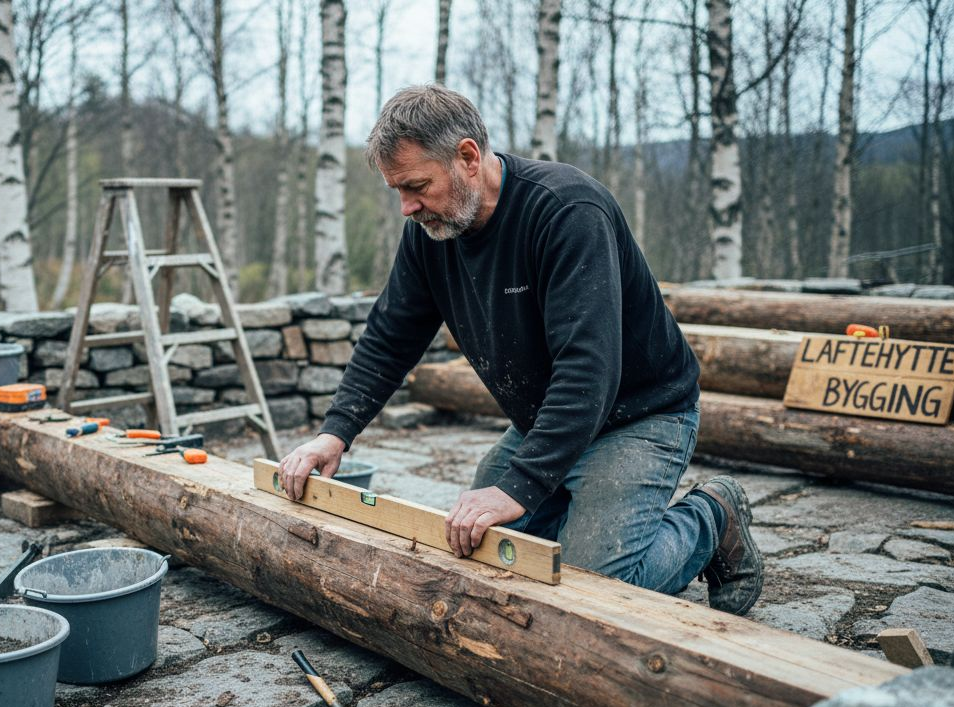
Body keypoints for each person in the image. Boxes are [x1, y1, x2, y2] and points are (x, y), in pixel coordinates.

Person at [276, 85, 763, 615]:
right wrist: (335, 432)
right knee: (477, 556)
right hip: (548, 419)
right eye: (397, 190)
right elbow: (391, 335)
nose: (406, 207)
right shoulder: (431, 230)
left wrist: (522, 485)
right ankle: (580, 516)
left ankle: (712, 516)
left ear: (467, 157)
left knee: (594, 592)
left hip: (639, 416)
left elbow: (589, 368)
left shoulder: (567, 212)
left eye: (416, 186)